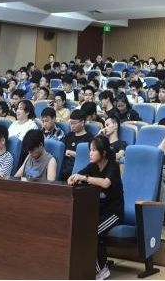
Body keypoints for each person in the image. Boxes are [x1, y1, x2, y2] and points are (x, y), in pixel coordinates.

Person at [69, 136, 124, 280]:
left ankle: (102, 269)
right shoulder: (92, 166)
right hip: (97, 212)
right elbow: (75, 176)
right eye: (90, 150)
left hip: (114, 213)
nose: (90, 153)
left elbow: (106, 183)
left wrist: (85, 178)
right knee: (79, 229)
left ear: (103, 152)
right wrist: (73, 178)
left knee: (91, 232)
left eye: (94, 150)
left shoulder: (113, 166)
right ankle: (92, 266)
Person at [62, 109, 94, 180]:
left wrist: (71, 152)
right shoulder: (68, 135)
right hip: (64, 169)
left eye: (74, 123)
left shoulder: (89, 138)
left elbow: (88, 157)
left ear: (82, 122)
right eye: (71, 123)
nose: (72, 126)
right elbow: (62, 150)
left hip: (79, 171)